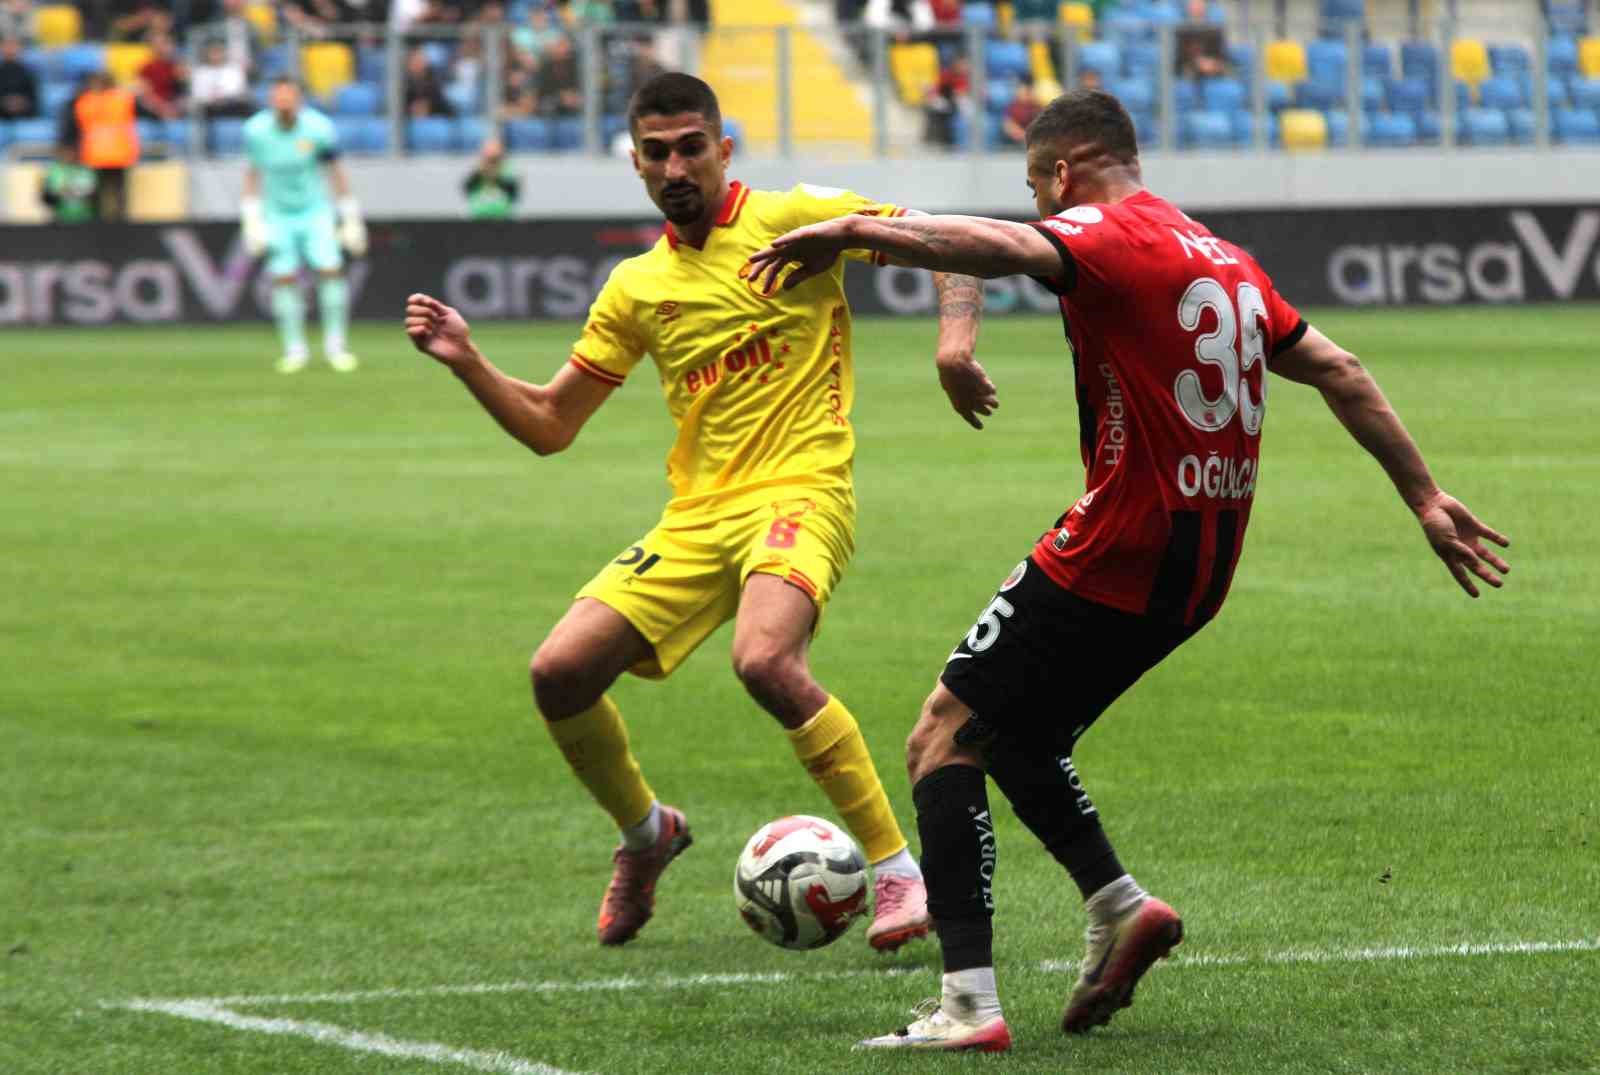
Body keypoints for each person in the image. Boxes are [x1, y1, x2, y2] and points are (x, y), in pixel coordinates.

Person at [746, 87, 1511, 1051]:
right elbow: (1345, 370)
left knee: (942, 733)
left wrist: (857, 230)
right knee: (1016, 734)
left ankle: (968, 1007)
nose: (1038, 210)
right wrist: (1426, 497)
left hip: (1120, 541)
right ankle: (1119, 905)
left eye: (1038, 188)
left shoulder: (1105, 236)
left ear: (1064, 172)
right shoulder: (1230, 260)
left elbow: (1000, 249)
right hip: (1203, 569)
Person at [403, 72, 996, 952]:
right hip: (698, 516)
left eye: (691, 146)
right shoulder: (637, 286)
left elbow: (943, 242)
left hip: (802, 489)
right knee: (558, 673)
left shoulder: (799, 217)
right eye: (657, 152)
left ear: (724, 148)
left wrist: (954, 345)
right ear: (637, 164)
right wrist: (468, 360)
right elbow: (550, 425)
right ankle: (648, 835)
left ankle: (898, 872)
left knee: (763, 658)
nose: (676, 165)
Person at [241, 77, 367, 373]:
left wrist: (349, 215)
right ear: (272, 100)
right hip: (277, 214)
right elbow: (252, 173)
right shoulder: (256, 131)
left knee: (330, 270)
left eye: (289, 98)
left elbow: (335, 170)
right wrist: (251, 217)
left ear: (299, 100)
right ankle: (294, 349)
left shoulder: (319, 128)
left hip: (315, 211)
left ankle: (336, 346)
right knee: (283, 277)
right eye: (279, 98)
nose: (284, 103)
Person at [74, 71, 140, 221]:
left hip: (98, 153)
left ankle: (99, 223)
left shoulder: (85, 101)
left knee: (99, 192)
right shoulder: (123, 99)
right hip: (117, 152)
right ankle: (119, 223)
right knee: (117, 192)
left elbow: (80, 121)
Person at [192, 38, 254, 118]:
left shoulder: (233, 69)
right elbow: (198, 94)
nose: (216, 55)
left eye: (218, 52)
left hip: (231, 105)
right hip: (208, 107)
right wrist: (212, 98)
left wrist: (223, 97)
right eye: (213, 52)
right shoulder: (200, 72)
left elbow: (239, 90)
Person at [462, 136, 519, 219]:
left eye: (494, 158)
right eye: (489, 157)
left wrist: (497, 176)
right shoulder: (477, 171)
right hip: (479, 219)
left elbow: (513, 193)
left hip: (503, 219)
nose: (492, 161)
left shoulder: (508, 171)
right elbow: (467, 188)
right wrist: (481, 172)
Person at [135, 33, 187, 122]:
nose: (161, 48)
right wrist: (162, 109)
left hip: (176, 111)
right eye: (157, 44)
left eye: (165, 44)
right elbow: (145, 94)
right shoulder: (146, 67)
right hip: (153, 113)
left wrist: (175, 108)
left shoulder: (179, 66)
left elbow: (185, 92)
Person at [40, 146, 99, 223]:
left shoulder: (86, 169)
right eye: (67, 152)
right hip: (61, 218)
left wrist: (72, 191)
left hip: (85, 218)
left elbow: (92, 190)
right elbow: (50, 193)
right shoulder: (55, 170)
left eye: (72, 151)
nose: (70, 154)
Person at [0, 35, 36, 119]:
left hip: (24, 114)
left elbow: (33, 98)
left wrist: (20, 103)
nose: (10, 49)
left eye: (13, 46)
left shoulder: (28, 73)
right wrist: (6, 102)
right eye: (7, 45)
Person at [1001, 75, 1041, 147]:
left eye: (1030, 91)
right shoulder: (1012, 107)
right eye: (1025, 91)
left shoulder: (1037, 107)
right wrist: (1023, 136)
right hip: (1014, 144)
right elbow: (1008, 126)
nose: (1028, 94)